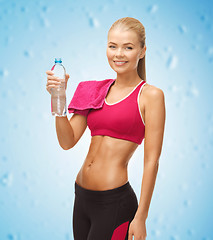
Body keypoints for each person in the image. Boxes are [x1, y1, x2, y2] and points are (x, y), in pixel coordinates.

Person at [46, 17, 165, 240]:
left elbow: (152, 161)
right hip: (81, 197)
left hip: (114, 203)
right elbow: (67, 141)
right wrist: (58, 98)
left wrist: (141, 218)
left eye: (128, 47)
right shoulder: (91, 90)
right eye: (112, 46)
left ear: (142, 51)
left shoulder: (150, 96)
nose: (118, 54)